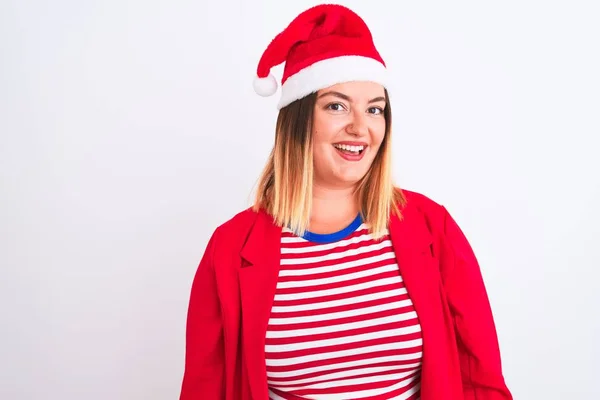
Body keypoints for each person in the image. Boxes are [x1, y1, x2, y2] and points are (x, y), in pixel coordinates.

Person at [179, 4, 512, 400]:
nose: (360, 127)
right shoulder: (229, 249)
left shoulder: (431, 226)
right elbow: (205, 389)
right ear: (298, 119)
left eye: (375, 109)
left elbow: (481, 379)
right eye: (337, 105)